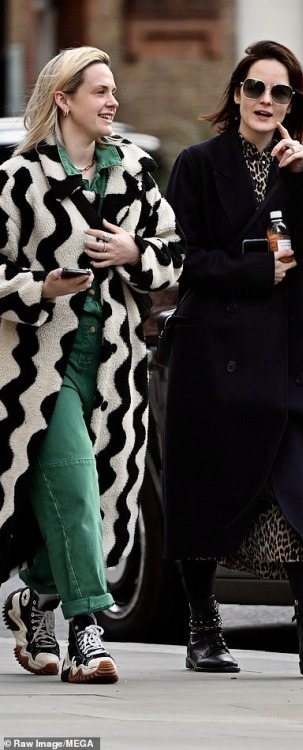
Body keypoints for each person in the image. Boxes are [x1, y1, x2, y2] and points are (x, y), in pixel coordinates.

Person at [163, 39, 303, 677]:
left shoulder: (301, 165)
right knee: (208, 486)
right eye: (254, 88)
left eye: (280, 93)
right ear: (236, 94)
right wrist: (253, 269)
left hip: (285, 350)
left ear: (293, 104)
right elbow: (182, 259)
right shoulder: (196, 164)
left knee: (297, 474)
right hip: (213, 352)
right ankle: (203, 624)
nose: (265, 101)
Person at [0, 46, 184, 684]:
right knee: (76, 485)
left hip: (115, 367)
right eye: (99, 91)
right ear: (63, 100)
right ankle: (87, 634)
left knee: (101, 503)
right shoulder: (18, 179)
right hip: (36, 372)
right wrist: (39, 287)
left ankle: (34, 601)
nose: (112, 101)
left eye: (113, 90)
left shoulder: (133, 170)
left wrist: (136, 251)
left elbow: (174, 254)